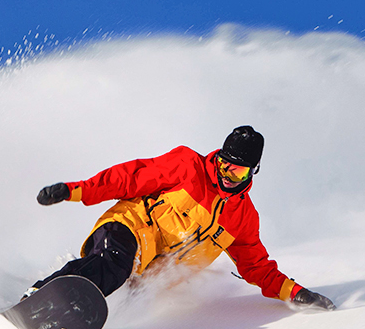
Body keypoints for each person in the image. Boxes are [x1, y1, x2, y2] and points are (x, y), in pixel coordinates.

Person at [30, 125, 336, 310]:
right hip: (129, 226)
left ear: (253, 171)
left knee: (123, 290)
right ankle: (42, 295)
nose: (229, 175)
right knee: (113, 266)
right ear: (218, 158)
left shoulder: (242, 217)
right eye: (225, 165)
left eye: (239, 171)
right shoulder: (187, 166)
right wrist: (74, 191)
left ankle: (67, 314)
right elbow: (127, 178)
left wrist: (295, 293)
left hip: (147, 276)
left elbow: (257, 268)